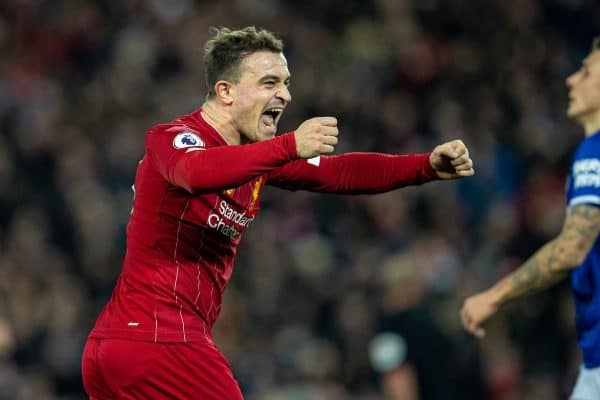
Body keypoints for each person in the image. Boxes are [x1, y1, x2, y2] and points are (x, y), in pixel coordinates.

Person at [81, 26, 474, 399]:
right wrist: (288, 146)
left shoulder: (253, 157)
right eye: (269, 83)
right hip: (160, 339)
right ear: (226, 91)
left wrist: (424, 167)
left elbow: (339, 172)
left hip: (119, 348)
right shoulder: (173, 139)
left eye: (286, 83)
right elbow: (194, 172)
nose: (285, 95)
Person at [461, 36, 600, 400]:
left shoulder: (594, 153)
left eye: (586, 71)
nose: (572, 80)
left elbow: (572, 248)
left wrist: (494, 296)